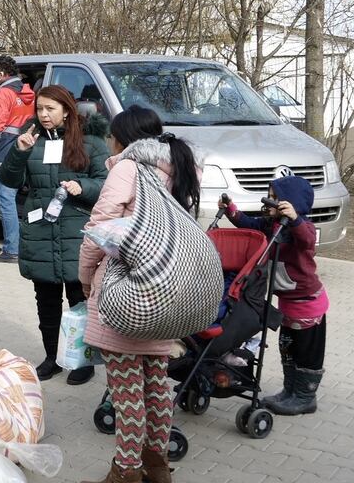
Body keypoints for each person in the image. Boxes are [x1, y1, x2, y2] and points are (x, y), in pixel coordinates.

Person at [78, 105, 202, 483]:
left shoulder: (128, 169)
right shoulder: (182, 168)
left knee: (126, 391)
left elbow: (99, 228)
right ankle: (157, 467)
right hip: (167, 293)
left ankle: (127, 472)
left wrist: (86, 278)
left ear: (121, 139)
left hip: (125, 295)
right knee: (156, 385)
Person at [0, 84, 109, 385]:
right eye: (40, 109)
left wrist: (82, 187)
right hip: (40, 231)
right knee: (45, 301)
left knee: (78, 298)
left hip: (77, 231)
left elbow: (106, 184)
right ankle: (51, 357)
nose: (44, 115)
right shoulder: (30, 138)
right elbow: (8, 180)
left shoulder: (90, 141)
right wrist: (19, 152)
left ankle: (82, 361)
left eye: (50, 109)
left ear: (67, 109)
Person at [220, 175, 328, 417]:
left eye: (275, 198)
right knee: (287, 348)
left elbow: (308, 240)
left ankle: (304, 397)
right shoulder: (271, 225)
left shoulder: (303, 228)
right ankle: (289, 391)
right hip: (288, 303)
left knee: (306, 353)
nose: (269, 203)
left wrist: (295, 219)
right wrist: (231, 210)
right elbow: (247, 223)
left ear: (291, 204)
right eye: (269, 197)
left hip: (308, 305)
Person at [0, 55, 36, 263]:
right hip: (20, 155)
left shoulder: (3, 94)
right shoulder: (28, 93)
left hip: (0, 157)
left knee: (6, 204)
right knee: (15, 202)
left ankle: (12, 250)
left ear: (2, 72)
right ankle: (20, 245)